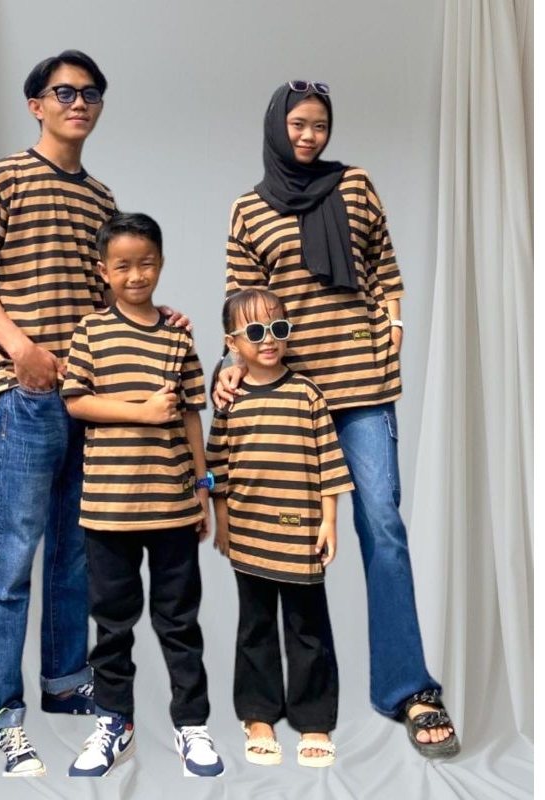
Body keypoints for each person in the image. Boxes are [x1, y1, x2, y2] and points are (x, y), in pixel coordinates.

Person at [0, 50, 188, 778]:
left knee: (77, 552)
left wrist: (156, 318)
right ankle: (3, 714)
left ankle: (64, 681)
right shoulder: (1, 178)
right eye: (64, 92)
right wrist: (20, 347)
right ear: (37, 105)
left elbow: (112, 296)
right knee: (14, 557)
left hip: (92, 400)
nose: (78, 102)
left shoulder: (102, 198)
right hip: (27, 397)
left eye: (90, 93)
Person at [213, 80, 461, 759]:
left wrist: (395, 322)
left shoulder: (354, 185)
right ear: (276, 126)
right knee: (277, 542)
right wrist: (230, 363)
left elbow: (383, 264)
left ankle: (409, 690)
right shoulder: (248, 209)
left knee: (382, 525)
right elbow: (240, 300)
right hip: (286, 388)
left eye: (319, 125)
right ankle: (279, 707)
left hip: (361, 382)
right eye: (298, 123)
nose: (309, 135)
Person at [61, 212, 224, 779]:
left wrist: (202, 487)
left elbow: (192, 415)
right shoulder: (90, 331)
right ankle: (114, 722)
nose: (136, 275)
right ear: (103, 270)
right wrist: (142, 412)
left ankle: (192, 726)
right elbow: (76, 401)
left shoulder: (178, 333)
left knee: (180, 623)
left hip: (173, 506)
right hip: (108, 509)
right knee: (112, 625)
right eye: (123, 265)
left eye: (146, 263)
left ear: (161, 263)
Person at [206, 288, 355, 768]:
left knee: (308, 630)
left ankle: (314, 721)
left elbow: (329, 461)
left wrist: (330, 521)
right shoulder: (229, 400)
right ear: (232, 342)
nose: (268, 339)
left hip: (300, 535)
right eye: (254, 331)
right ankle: (258, 718)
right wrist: (223, 521)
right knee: (255, 628)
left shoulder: (307, 393)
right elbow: (217, 465)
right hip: (249, 535)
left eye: (278, 327)